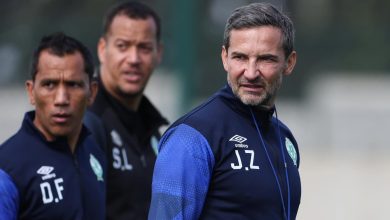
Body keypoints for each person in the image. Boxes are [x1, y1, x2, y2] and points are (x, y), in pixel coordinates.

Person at [149, 2, 301, 220]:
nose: (250, 72)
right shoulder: (190, 138)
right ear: (225, 58)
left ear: (289, 63)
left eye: (265, 59)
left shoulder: (284, 138)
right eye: (240, 57)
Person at [0, 32, 105, 219]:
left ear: (92, 92)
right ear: (31, 92)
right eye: (49, 84)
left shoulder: (94, 152)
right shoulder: (7, 169)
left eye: (73, 85)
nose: (61, 99)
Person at [84, 1, 168, 219]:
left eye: (144, 48)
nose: (133, 59)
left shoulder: (155, 129)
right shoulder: (84, 121)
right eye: (123, 46)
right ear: (103, 49)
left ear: (158, 53)